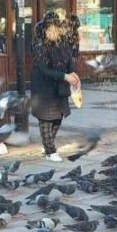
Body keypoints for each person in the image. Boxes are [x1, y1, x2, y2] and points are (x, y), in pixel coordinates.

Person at [30, 12, 79, 162]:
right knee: (46, 119)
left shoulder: (63, 43)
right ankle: (50, 151)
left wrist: (73, 73)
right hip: (43, 88)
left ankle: (47, 145)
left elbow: (69, 59)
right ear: (45, 30)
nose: (53, 32)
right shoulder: (40, 46)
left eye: (55, 29)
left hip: (60, 88)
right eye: (50, 29)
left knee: (58, 117)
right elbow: (44, 69)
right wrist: (65, 76)